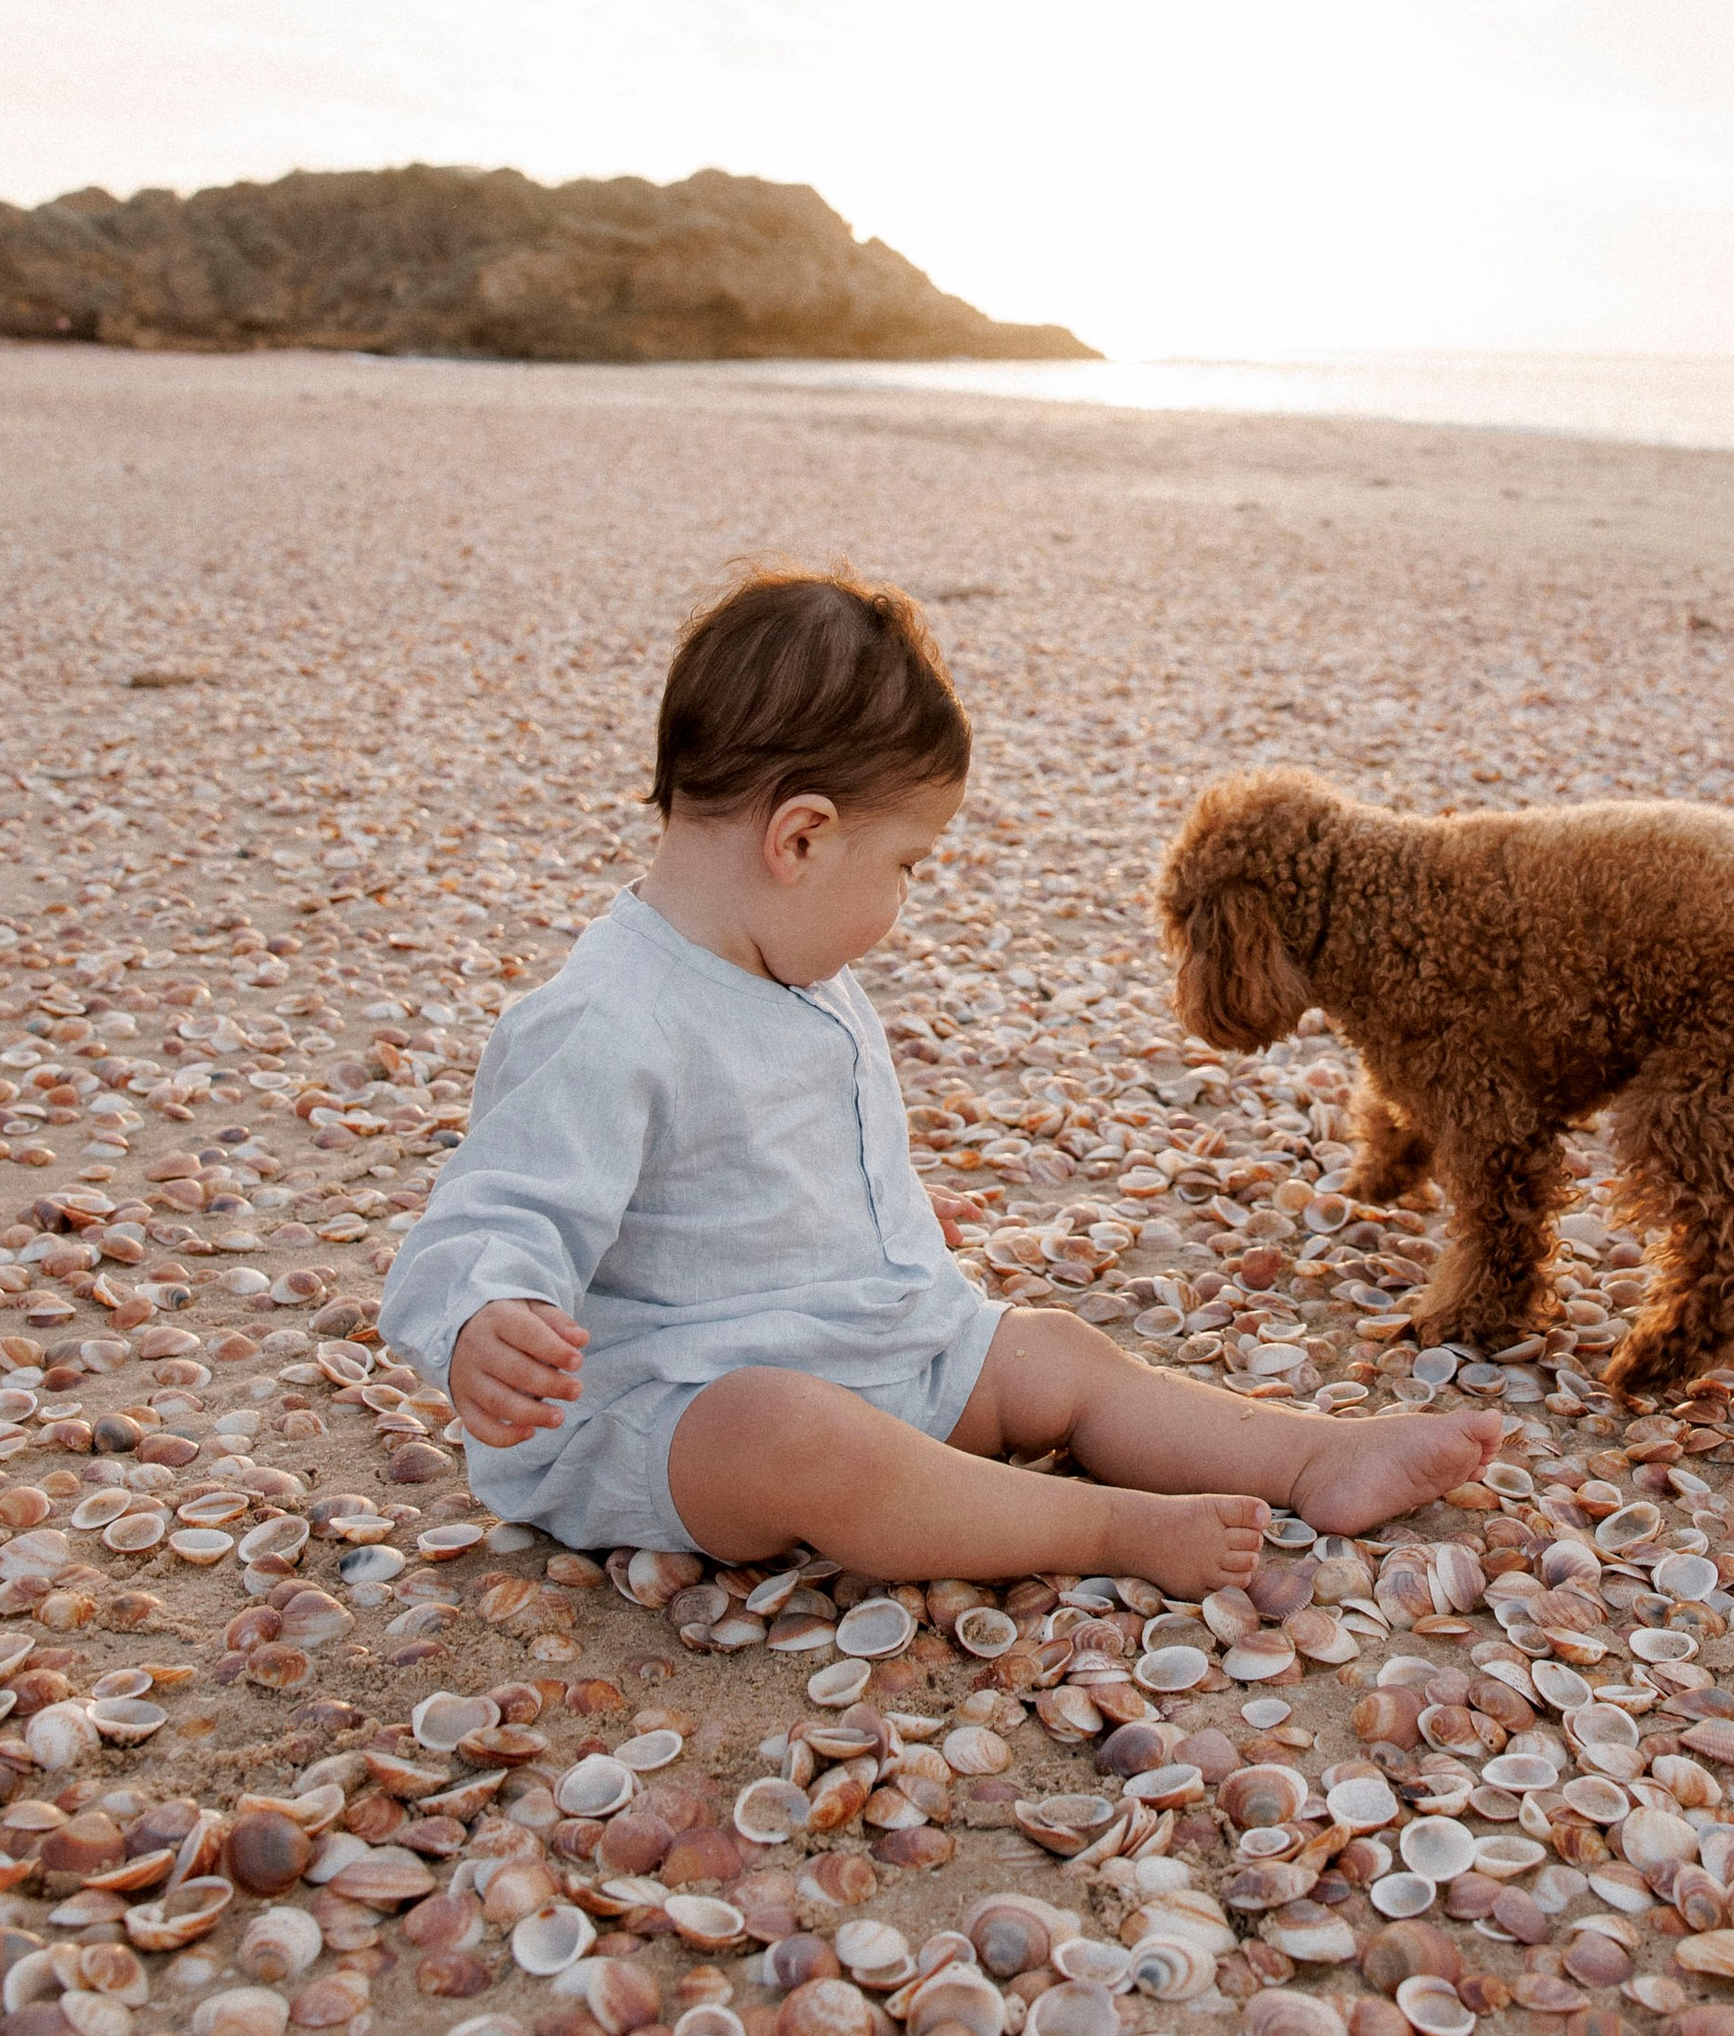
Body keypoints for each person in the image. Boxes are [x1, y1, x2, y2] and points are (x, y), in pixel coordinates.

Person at [381, 567, 1501, 1599]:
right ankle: (1098, 1526)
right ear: (802, 839)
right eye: (905, 864)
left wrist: (878, 1237)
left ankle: (1308, 1455)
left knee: (1053, 1351)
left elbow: (795, 1158)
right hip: (670, 1413)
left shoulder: (790, 962)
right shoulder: (608, 1016)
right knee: (792, 1435)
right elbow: (494, 1207)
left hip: (870, 1346)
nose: (905, 898)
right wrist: (490, 1315)